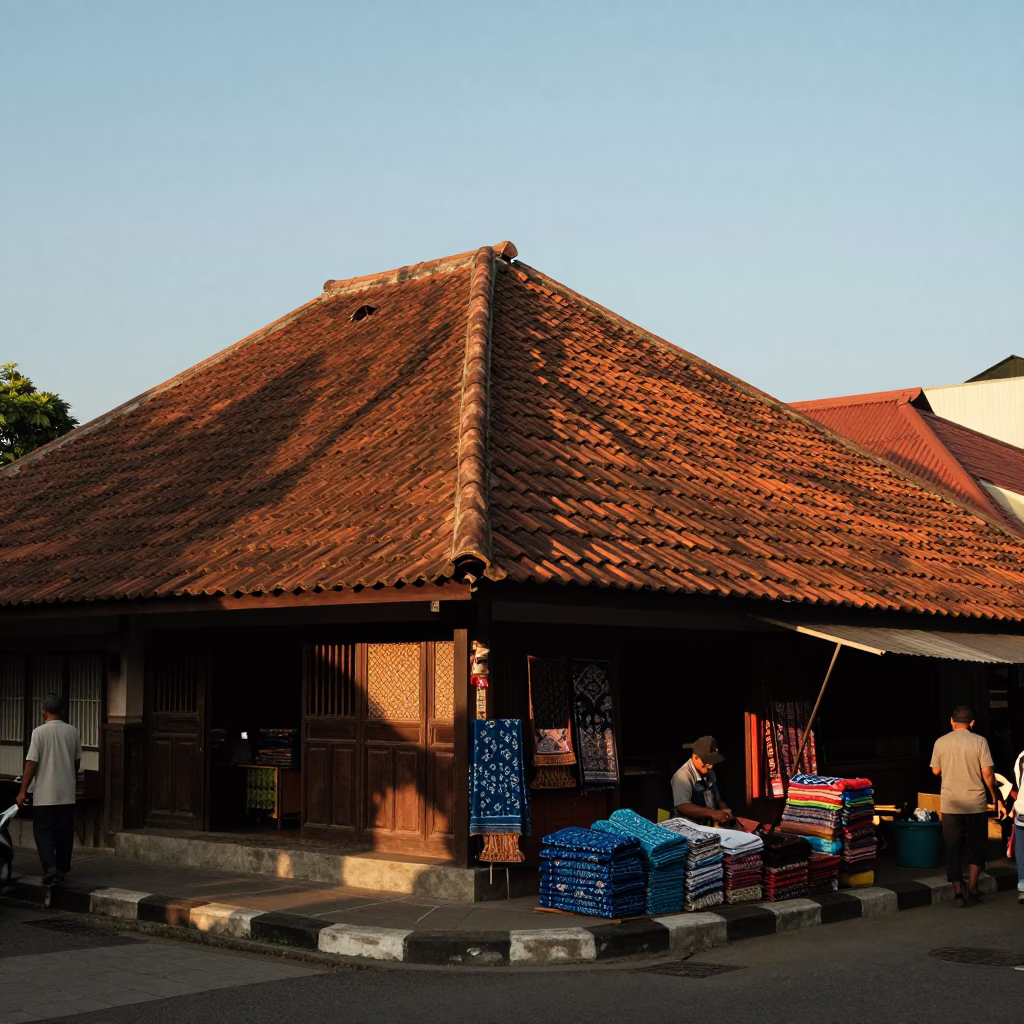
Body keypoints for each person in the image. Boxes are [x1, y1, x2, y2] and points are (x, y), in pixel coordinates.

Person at [929, 705, 1004, 907]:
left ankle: (958, 892)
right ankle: (972, 888)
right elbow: (987, 773)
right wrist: (995, 796)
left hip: (951, 805)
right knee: (976, 847)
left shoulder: (941, 742)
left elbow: (935, 771)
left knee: (953, 848)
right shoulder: (980, 741)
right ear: (972, 723)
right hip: (975, 804)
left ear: (951, 721)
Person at [15, 693, 82, 886]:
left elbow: (31, 764)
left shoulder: (39, 733)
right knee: (64, 834)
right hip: (67, 795)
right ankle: (61, 869)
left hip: (44, 795)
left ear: (43, 710)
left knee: (43, 832)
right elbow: (76, 762)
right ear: (62, 711)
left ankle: (50, 867)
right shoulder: (73, 732)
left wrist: (22, 791)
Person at [671, 735, 733, 824]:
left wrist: (724, 808)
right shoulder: (682, 776)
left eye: (712, 761)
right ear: (696, 757)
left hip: (706, 824)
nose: (710, 766)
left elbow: (717, 797)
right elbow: (682, 806)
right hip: (686, 825)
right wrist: (713, 813)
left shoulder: (710, 771)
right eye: (707, 761)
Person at [1012, 746, 1024, 906]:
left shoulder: (1022, 756)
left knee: (1022, 852)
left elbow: (1019, 780)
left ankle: (1023, 889)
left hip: (1023, 809)